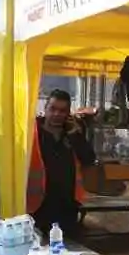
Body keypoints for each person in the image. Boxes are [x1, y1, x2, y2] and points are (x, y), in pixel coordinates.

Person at [28, 89, 96, 240]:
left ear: (68, 113)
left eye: (62, 110)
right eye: (53, 109)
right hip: (39, 206)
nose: (57, 114)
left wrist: (75, 136)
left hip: (67, 205)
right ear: (45, 109)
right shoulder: (32, 134)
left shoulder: (72, 135)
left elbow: (89, 159)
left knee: (68, 251)